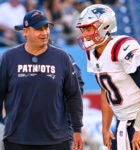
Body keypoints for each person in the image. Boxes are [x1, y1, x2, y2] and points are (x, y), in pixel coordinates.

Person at [0, 9, 83, 150]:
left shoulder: (62, 57)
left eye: (46, 28)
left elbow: (74, 95)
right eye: (39, 29)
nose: (44, 33)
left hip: (56, 140)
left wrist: (77, 130)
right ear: (25, 32)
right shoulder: (9, 58)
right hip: (17, 139)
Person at [76, 4, 140, 150]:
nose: (85, 34)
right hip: (122, 121)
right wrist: (105, 128)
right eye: (83, 29)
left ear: (105, 27)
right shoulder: (92, 52)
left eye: (89, 29)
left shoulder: (122, 47)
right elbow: (106, 92)